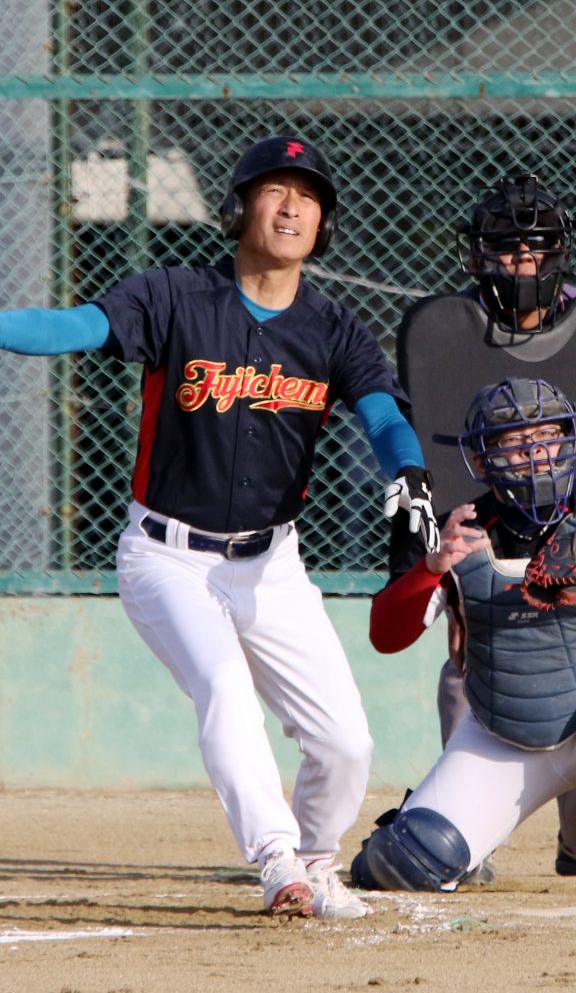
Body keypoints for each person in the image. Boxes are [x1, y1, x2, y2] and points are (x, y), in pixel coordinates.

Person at [0, 135, 439, 919]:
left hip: (272, 565)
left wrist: (406, 468)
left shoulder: (334, 329)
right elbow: (70, 328)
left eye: (309, 196)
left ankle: (316, 860)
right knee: (225, 689)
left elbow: (380, 413)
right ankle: (277, 862)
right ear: (239, 209)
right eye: (275, 190)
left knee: (345, 742)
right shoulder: (174, 297)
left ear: (325, 223)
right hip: (167, 557)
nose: (293, 206)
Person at [393, 172, 576, 877]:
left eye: (537, 248)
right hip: (482, 519)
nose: (523, 262)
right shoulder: (444, 336)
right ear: (478, 255)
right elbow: (426, 442)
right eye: (507, 248)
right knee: (474, 650)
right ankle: (467, 819)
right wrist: (434, 563)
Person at [350, 376, 576, 892]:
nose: (535, 453)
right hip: (507, 730)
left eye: (548, 436)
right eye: (515, 441)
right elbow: (386, 636)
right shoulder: (455, 529)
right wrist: (431, 568)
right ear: (482, 457)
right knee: (411, 860)